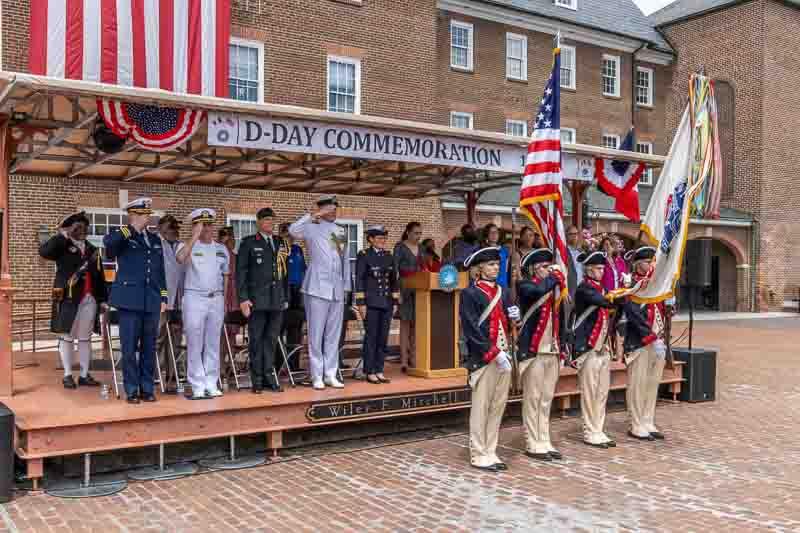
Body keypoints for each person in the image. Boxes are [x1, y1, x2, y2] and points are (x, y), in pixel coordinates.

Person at [460, 247, 520, 472]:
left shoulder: (503, 292)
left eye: (497, 264)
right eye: (491, 265)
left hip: (504, 355)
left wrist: (516, 316)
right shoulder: (470, 293)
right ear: (479, 268)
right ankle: (478, 452)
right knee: (481, 407)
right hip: (485, 358)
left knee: (497, 406)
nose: (496, 268)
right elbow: (471, 329)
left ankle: (491, 449)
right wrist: (494, 353)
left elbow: (509, 321)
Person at [104, 198, 167, 404]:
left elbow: (159, 270)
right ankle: (131, 389)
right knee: (129, 347)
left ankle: (147, 388)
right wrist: (130, 229)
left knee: (149, 347)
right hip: (129, 300)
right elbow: (109, 245)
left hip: (151, 299)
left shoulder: (155, 239)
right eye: (141, 215)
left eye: (147, 214)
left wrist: (163, 296)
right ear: (132, 215)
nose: (145, 218)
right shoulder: (122, 235)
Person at [39, 211, 107, 389]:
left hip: (89, 298)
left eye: (85, 227)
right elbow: (44, 252)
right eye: (78, 227)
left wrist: (103, 300)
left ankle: (84, 375)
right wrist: (62, 234)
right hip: (68, 298)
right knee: (66, 337)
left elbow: (99, 277)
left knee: (85, 338)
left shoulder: (92, 250)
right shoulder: (61, 245)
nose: (82, 230)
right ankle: (68, 374)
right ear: (70, 228)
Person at [289, 195, 351, 390]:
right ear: (322, 210)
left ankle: (331, 373)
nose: (333, 212)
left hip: (336, 288)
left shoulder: (340, 230)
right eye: (330, 209)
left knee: (333, 334)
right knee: (316, 333)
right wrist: (313, 215)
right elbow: (292, 230)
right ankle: (316, 374)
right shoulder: (311, 227)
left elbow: (343, 260)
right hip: (316, 286)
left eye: (335, 209)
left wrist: (346, 287)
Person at [516, 248, 566, 461]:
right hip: (534, 351)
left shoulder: (553, 289)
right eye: (545, 267)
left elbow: (560, 318)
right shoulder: (525, 286)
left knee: (546, 399)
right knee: (533, 398)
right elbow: (536, 293)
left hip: (551, 350)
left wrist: (563, 346)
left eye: (549, 266)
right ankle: (532, 441)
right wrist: (555, 278)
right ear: (533, 269)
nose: (549, 270)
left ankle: (544, 439)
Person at [177, 209, 229, 399]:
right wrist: (194, 237)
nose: (207, 228)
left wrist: (223, 300)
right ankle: (197, 383)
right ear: (195, 226)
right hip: (194, 297)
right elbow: (181, 258)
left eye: (209, 224)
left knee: (213, 343)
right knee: (195, 342)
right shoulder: (187, 245)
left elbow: (225, 276)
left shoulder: (221, 249)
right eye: (202, 225)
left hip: (216, 298)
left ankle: (211, 381)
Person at [237, 207, 289, 394]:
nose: (270, 223)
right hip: (257, 300)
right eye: (266, 220)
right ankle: (257, 379)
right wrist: (243, 299)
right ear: (258, 222)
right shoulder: (249, 243)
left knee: (272, 340)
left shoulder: (279, 242)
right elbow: (241, 273)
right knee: (257, 340)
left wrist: (285, 297)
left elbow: (284, 273)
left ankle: (269, 376)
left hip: (276, 300)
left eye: (272, 220)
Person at [572, 250, 621, 448]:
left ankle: (598, 429)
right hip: (589, 347)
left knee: (601, 392)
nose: (602, 272)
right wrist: (627, 291)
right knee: (590, 392)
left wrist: (626, 292)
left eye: (603, 268)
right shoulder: (584, 288)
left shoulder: (600, 288)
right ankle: (589, 430)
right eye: (599, 268)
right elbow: (604, 302)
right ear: (589, 270)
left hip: (602, 347)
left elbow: (614, 308)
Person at [621, 246, 667, 441]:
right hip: (640, 342)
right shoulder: (632, 285)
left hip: (657, 340)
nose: (651, 266)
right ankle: (636, 423)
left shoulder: (656, 286)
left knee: (652, 383)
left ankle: (648, 419)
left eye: (652, 262)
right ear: (638, 264)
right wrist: (651, 337)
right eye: (648, 262)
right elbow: (633, 314)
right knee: (638, 384)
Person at [355, 225, 398, 384]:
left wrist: (394, 301)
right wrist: (361, 303)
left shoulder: (388, 255)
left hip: (386, 302)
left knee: (383, 337)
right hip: (371, 303)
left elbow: (394, 279)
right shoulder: (364, 255)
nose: (382, 241)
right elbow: (359, 279)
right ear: (371, 239)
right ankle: (369, 370)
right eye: (379, 238)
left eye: (384, 238)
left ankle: (379, 369)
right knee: (371, 337)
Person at [156, 214, 184, 393]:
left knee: (174, 339)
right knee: (157, 339)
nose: (174, 230)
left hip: (179, 300)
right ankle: (154, 374)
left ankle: (172, 375)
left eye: (176, 227)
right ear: (161, 229)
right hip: (161, 300)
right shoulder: (156, 244)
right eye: (170, 227)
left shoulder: (180, 246)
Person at [393, 221, 422, 373]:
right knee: (405, 324)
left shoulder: (421, 248)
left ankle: (414, 358)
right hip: (404, 288)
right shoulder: (400, 247)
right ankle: (404, 360)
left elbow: (424, 268)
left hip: (419, 289)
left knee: (416, 326)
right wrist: (396, 292)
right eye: (416, 233)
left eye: (420, 233)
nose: (418, 236)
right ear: (408, 232)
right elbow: (395, 270)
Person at [279, 223, 306, 371]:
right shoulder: (279, 250)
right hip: (285, 290)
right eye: (287, 235)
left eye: (292, 235)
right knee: (280, 327)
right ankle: (277, 365)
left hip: (298, 290)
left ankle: (294, 365)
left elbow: (303, 269)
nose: (290, 238)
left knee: (296, 328)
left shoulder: (297, 250)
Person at [218, 226, 239, 380]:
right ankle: (220, 367)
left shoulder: (236, 257)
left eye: (232, 238)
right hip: (222, 296)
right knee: (221, 334)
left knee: (232, 334)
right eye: (227, 238)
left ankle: (230, 364)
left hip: (234, 297)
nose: (230, 241)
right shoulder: (219, 255)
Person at [482, 223, 510, 289]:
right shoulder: (483, 251)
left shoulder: (505, 250)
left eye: (496, 232)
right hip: (489, 284)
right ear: (486, 235)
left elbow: (506, 269)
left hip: (503, 284)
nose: (494, 235)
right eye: (491, 232)